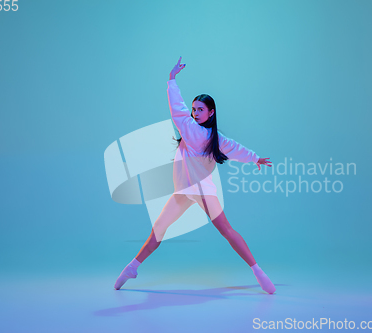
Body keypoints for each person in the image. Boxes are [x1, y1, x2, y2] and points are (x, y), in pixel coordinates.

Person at [114, 57, 276, 294]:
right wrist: (254, 158)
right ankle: (132, 267)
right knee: (158, 229)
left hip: (201, 192)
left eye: (200, 109)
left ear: (211, 112)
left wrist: (171, 80)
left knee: (227, 231)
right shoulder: (215, 138)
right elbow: (236, 148)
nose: (195, 112)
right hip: (184, 190)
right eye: (194, 109)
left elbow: (176, 109)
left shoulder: (193, 131)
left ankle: (258, 271)